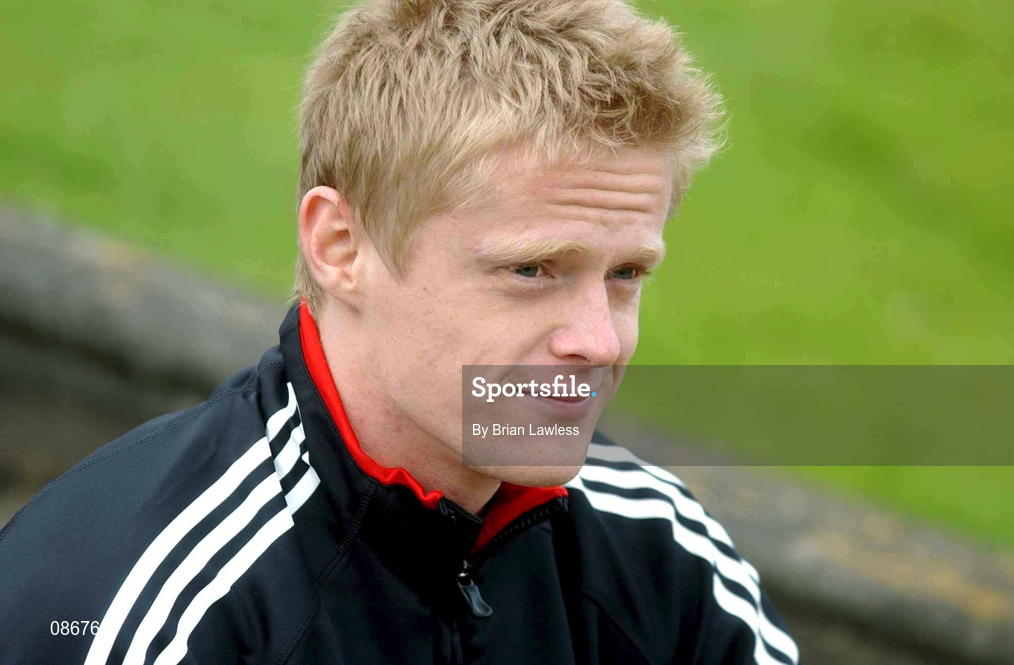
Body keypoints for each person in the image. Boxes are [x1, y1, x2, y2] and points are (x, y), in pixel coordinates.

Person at [0, 1, 800, 663]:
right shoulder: (151, 616)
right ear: (340, 247)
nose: (600, 341)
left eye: (625, 275)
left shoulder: (664, 556)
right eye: (531, 270)